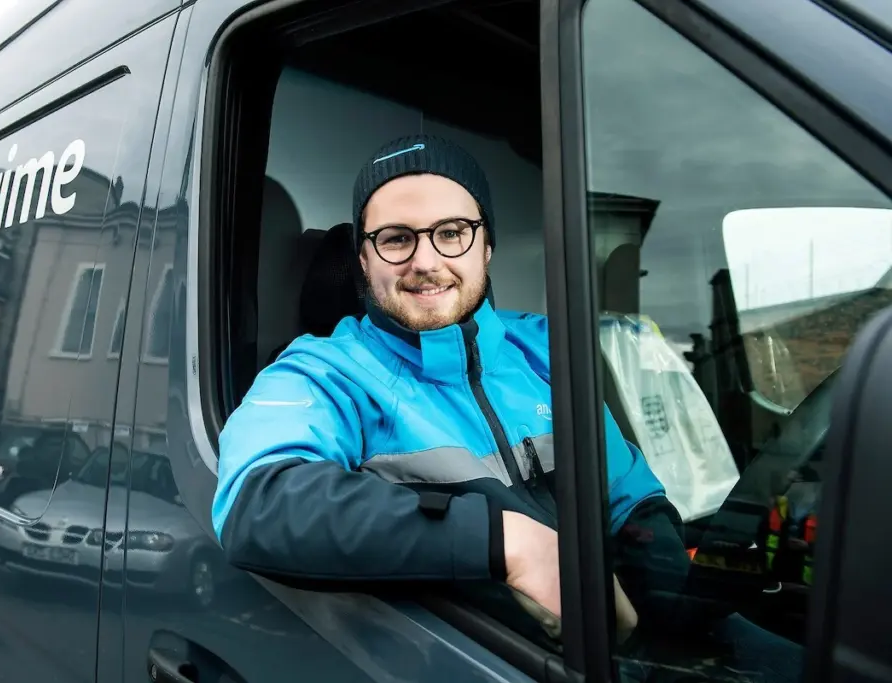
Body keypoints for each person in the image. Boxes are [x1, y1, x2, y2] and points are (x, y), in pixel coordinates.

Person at [211, 134, 802, 680]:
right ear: (363, 259)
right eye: (395, 238)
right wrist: (507, 541)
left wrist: (671, 596)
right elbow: (256, 501)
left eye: (451, 232)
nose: (425, 260)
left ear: (486, 245)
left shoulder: (547, 347)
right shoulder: (322, 371)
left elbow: (626, 495)